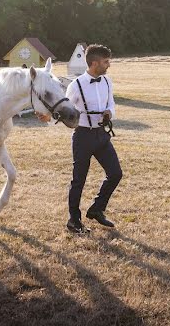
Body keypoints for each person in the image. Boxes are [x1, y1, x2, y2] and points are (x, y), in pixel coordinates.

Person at [63, 44, 122, 233]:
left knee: (115, 174)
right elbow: (65, 111)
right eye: (106, 62)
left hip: (101, 134)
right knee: (78, 180)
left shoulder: (107, 81)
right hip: (83, 136)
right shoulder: (76, 85)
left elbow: (111, 103)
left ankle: (97, 209)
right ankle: (74, 220)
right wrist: (48, 117)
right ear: (94, 63)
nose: (108, 65)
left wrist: (109, 113)